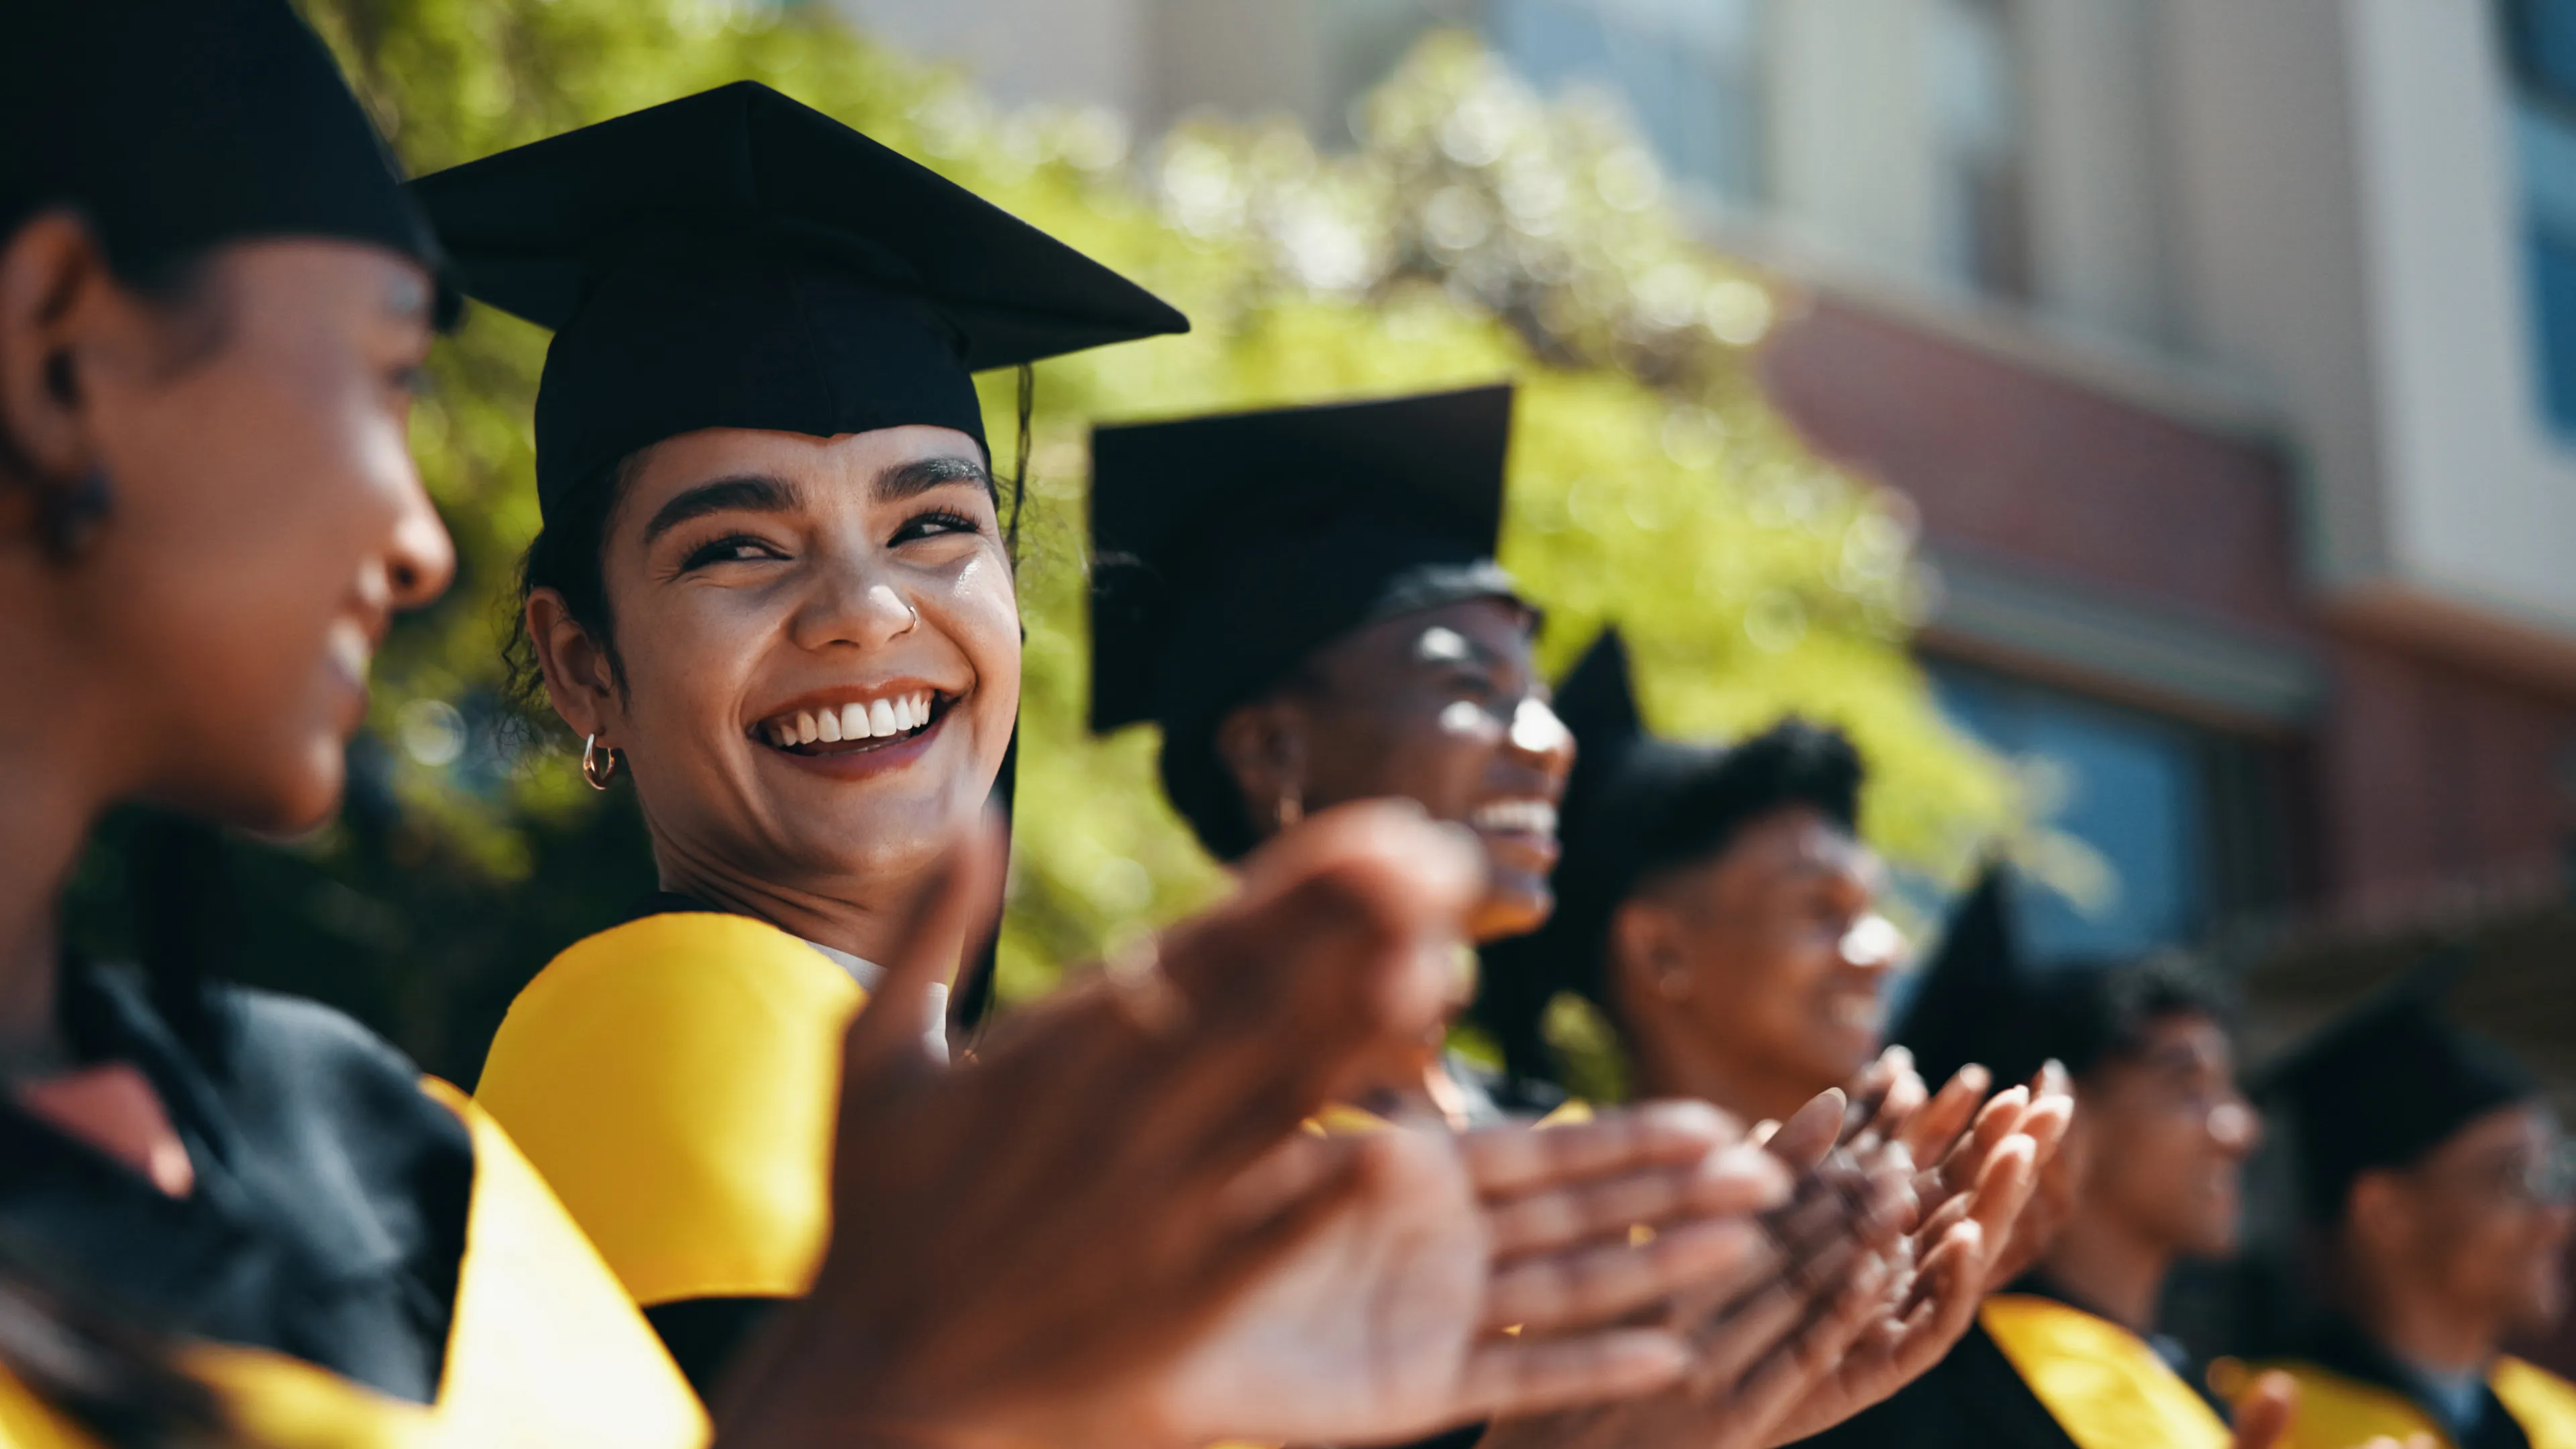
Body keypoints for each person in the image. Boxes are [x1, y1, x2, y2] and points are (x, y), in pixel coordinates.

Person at [431, 85, 1838, 1448]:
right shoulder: (671, 1008)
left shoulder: (991, 1082)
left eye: (933, 525)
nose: (865, 607)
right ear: (586, 666)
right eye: (737, 546)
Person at [1091, 433, 2072, 1447]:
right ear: (1271, 752)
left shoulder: (1573, 1152)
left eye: (1538, 697)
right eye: (1471, 690)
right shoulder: (1139, 1163)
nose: (1547, 744)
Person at [1803, 865, 2265, 1449]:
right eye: (2187, 1088)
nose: (2240, 1131)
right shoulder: (1933, 1393)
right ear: (2057, 1114)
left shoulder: (2198, 1391)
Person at [1470, 629, 1904, 1124]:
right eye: (1822, 908)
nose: (1887, 951)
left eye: (1869, 910)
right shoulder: (1503, 1189)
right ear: (1659, 951)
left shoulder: (1880, 1197)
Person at [2245, 961, 2576, 1449]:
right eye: (2515, 1177)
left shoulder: (2558, 1417)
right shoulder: (2266, 1422)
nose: (2555, 1217)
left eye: (2556, 1175)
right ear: (2384, 1211)